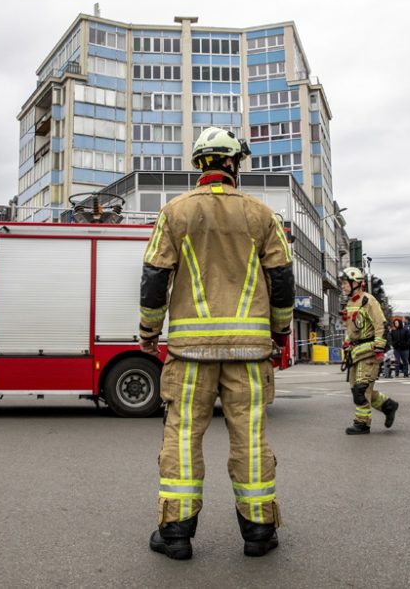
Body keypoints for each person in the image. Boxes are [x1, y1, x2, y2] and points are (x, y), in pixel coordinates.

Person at [139, 127, 295, 560]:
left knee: (184, 435)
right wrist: (280, 332)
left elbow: (154, 278)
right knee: (249, 435)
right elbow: (282, 281)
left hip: (189, 354)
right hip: (249, 354)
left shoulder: (174, 213)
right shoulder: (262, 215)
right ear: (232, 164)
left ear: (201, 164)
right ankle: (259, 532)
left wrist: (149, 333)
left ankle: (175, 533)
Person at [339, 267, 399, 434]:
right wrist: (346, 344)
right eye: (343, 283)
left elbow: (381, 325)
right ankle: (388, 406)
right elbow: (350, 329)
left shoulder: (369, 301)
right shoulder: (350, 303)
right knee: (357, 390)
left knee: (361, 389)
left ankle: (362, 423)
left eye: (345, 283)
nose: (343, 286)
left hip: (369, 351)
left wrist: (379, 347)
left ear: (356, 283)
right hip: (355, 351)